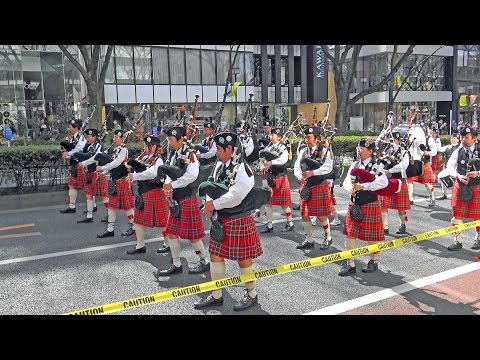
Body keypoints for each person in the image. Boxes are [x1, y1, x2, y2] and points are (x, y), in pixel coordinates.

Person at [194, 132, 262, 311]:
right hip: (221, 219)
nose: (216, 151)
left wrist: (213, 204)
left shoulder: (242, 169)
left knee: (243, 259)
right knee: (215, 256)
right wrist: (208, 203)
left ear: (230, 149)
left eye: (219, 148)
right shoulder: (219, 165)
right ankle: (216, 295)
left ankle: (252, 294)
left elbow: (237, 195)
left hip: (238, 219)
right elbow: (211, 183)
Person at [156, 125, 210, 276]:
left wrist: (172, 185)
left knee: (193, 236)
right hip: (176, 199)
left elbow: (191, 176)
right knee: (171, 232)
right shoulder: (175, 153)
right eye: (169, 139)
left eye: (172, 139)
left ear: (181, 139)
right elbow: (169, 170)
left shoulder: (190, 154)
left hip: (187, 198)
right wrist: (167, 184)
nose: (170, 142)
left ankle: (204, 261)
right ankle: (176, 263)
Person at [339, 137, 388, 276]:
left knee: (371, 236)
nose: (358, 150)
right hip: (354, 203)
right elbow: (347, 181)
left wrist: (364, 186)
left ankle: (374, 260)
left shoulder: (377, 166)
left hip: (369, 203)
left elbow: (383, 183)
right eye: (358, 148)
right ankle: (351, 263)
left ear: (370, 151)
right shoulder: (355, 164)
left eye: (362, 148)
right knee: (350, 234)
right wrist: (351, 188)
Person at [126, 135, 170, 254]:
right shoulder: (146, 158)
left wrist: (135, 176)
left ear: (154, 146)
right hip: (143, 192)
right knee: (138, 221)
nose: (145, 147)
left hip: (154, 192)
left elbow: (152, 173)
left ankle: (169, 243)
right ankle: (140, 246)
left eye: (147, 145)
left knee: (162, 222)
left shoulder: (159, 159)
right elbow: (142, 171)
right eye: (145, 145)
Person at [294, 126, 334, 250]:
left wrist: (313, 173)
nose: (306, 139)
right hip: (307, 186)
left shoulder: (324, 150)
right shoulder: (303, 151)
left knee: (322, 215)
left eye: (309, 137)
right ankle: (309, 238)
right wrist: (299, 176)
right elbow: (297, 165)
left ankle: (328, 237)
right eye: (305, 137)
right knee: (305, 214)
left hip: (319, 184)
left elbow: (328, 167)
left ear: (317, 139)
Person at [445, 126, 480, 251]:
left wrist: (478, 173)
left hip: (477, 185)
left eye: (466, 138)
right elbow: (449, 166)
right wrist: (458, 176)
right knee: (457, 214)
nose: (463, 140)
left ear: (474, 139)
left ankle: (478, 238)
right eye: (462, 137)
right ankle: (457, 241)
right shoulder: (458, 151)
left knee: (478, 215)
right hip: (461, 185)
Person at [96, 129, 136, 238]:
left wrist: (102, 168)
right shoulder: (117, 149)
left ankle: (134, 227)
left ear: (121, 138)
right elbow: (113, 165)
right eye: (113, 137)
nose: (114, 139)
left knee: (127, 208)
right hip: (115, 181)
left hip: (122, 181)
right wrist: (104, 172)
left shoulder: (124, 151)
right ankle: (110, 230)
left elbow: (116, 163)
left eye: (116, 137)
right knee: (111, 207)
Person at [260, 127, 294, 233]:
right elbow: (266, 159)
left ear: (279, 137)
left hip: (280, 177)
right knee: (268, 202)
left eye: (272, 135)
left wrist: (271, 163)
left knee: (284, 203)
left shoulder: (283, 147)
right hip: (271, 177)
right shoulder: (270, 147)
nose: (271, 137)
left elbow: (283, 161)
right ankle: (269, 225)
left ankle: (290, 223)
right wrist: (264, 165)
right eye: (270, 135)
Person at [380, 131, 411, 234]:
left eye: (393, 139)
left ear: (398, 140)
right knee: (383, 203)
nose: (391, 141)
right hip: (386, 179)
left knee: (400, 206)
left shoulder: (404, 151)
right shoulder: (388, 149)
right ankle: (385, 227)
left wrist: (390, 170)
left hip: (399, 179)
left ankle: (403, 224)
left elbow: (404, 165)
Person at [77, 128, 109, 223]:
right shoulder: (89, 146)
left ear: (94, 137)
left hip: (97, 173)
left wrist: (84, 163)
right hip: (90, 173)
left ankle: (110, 214)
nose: (87, 138)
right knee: (88, 194)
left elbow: (96, 158)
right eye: (87, 136)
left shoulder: (99, 146)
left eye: (89, 136)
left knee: (103, 196)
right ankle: (89, 216)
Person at [60, 120, 87, 213]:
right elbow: (71, 149)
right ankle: (72, 206)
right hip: (74, 163)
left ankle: (93, 206)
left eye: (71, 127)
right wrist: (66, 154)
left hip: (80, 163)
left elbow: (79, 149)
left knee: (87, 186)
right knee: (71, 184)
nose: (69, 128)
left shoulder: (81, 138)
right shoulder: (72, 137)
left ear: (76, 128)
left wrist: (68, 153)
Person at [436, 132, 460, 200]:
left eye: (454, 138)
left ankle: (456, 194)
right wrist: (438, 141)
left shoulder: (459, 148)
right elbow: (439, 149)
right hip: (446, 165)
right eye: (452, 138)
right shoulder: (448, 147)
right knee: (443, 179)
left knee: (455, 181)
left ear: (458, 140)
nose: (452, 139)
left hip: (455, 166)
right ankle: (444, 194)